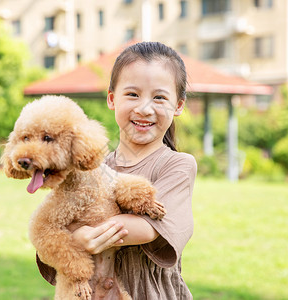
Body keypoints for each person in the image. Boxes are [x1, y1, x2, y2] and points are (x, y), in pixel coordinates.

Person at [37, 41, 197, 299]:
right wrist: (72, 241)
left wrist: (78, 235)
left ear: (178, 105)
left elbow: (147, 229)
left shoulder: (177, 165)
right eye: (132, 94)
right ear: (112, 99)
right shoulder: (88, 168)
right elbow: (50, 233)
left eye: (159, 97)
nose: (144, 109)